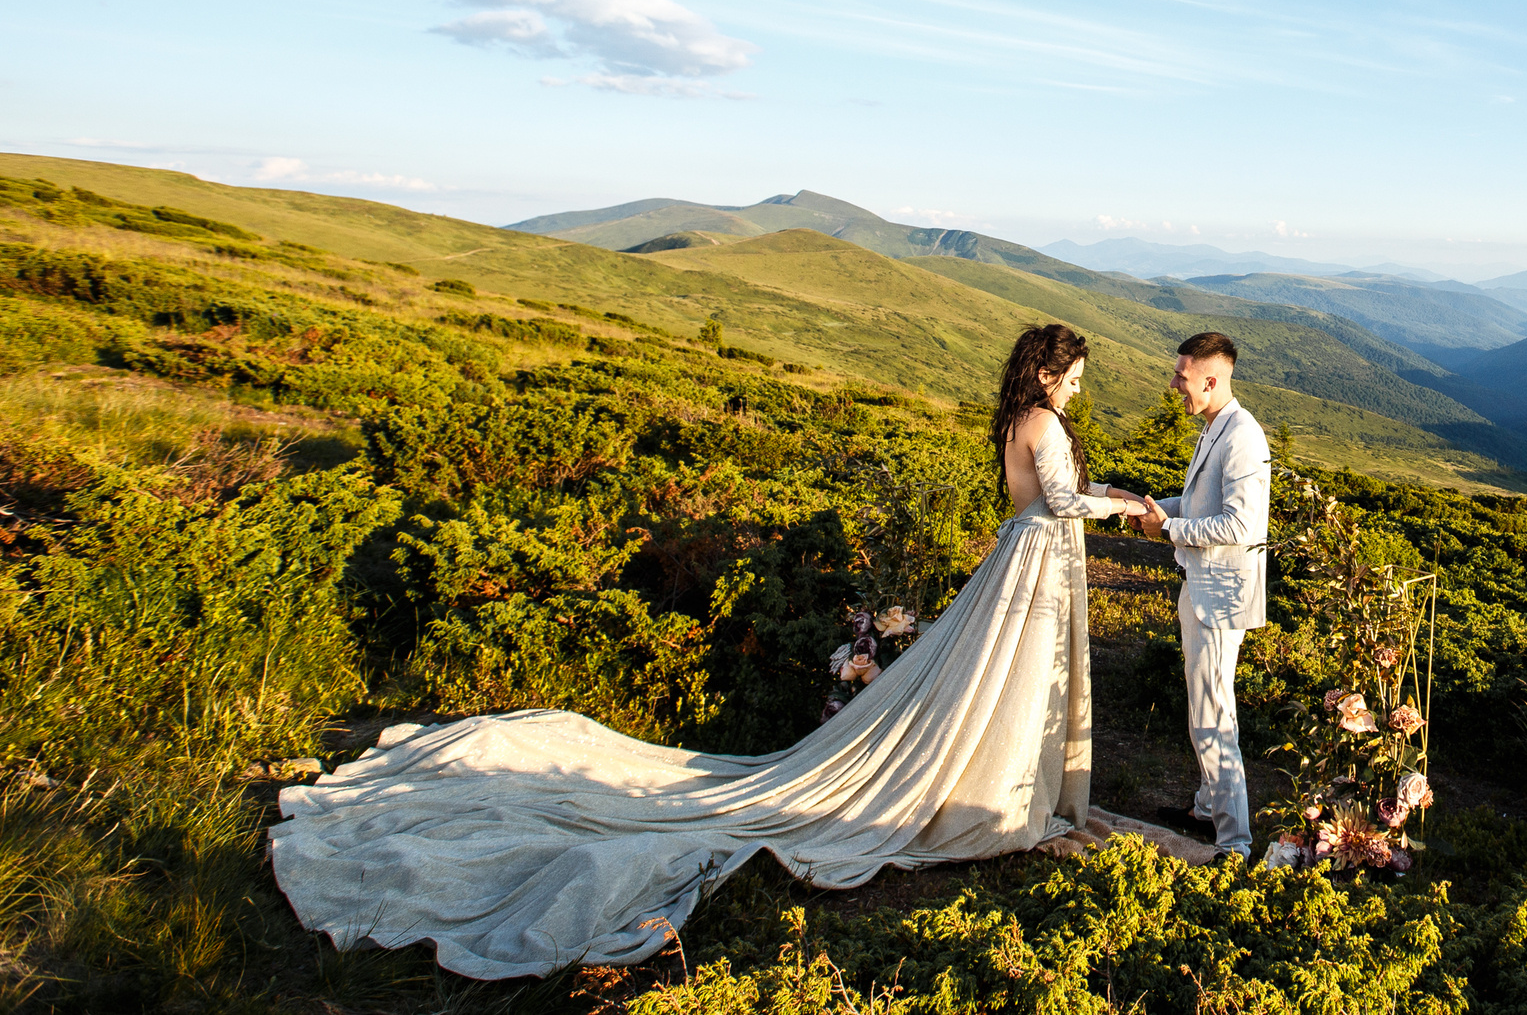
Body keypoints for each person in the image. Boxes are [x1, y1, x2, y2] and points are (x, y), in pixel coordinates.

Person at [267, 323, 1150, 980]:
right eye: (1073, 374)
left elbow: (1066, 492)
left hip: (1032, 559)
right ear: (1047, 368)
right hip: (1036, 557)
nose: (1077, 387)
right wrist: (1119, 507)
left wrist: (1124, 493)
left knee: (1000, 681)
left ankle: (1001, 785)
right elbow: (1062, 505)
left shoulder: (1027, 418)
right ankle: (989, 791)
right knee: (1005, 680)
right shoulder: (1038, 419)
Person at [1138, 330, 1270, 858]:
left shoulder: (1243, 437)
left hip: (1221, 597)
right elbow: (1200, 503)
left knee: (1214, 715)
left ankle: (1234, 844)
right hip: (1202, 588)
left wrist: (1167, 529)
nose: (1175, 385)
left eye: (1182, 376)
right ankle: (1204, 807)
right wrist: (1149, 506)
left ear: (1211, 380)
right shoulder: (1216, 426)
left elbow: (1239, 525)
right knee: (1203, 707)